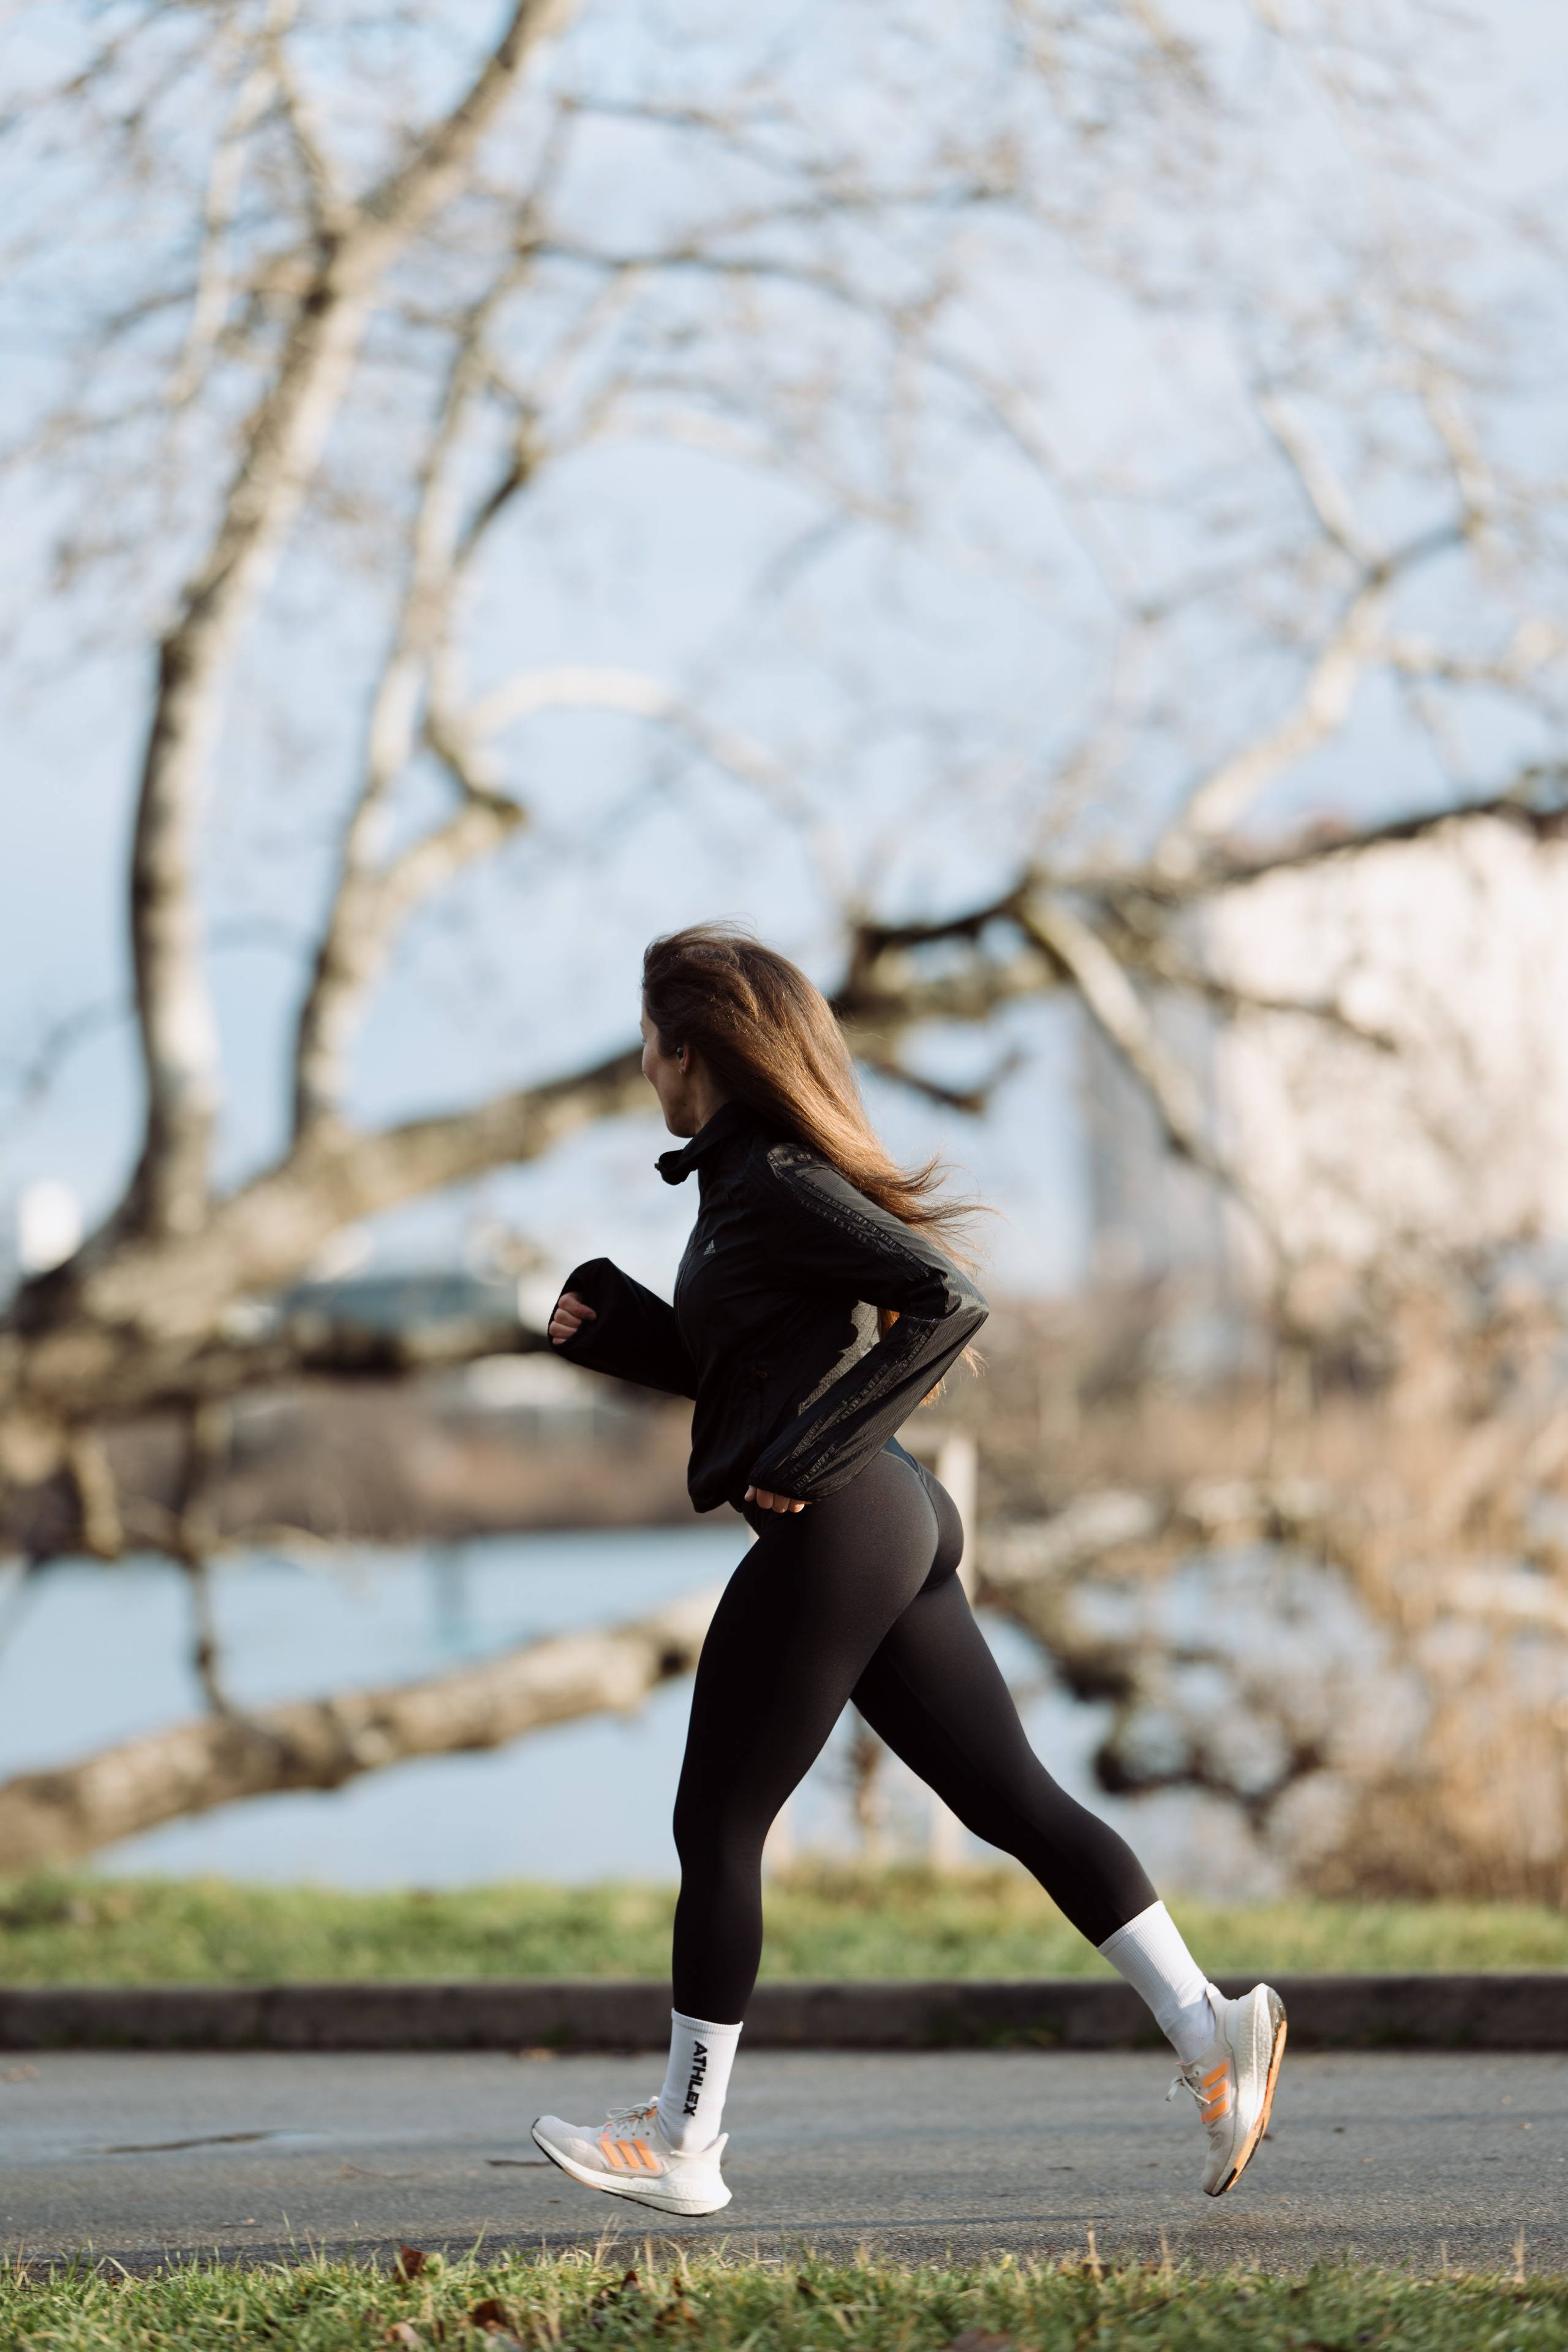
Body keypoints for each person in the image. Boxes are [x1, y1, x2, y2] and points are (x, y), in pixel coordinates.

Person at [530, 923, 1284, 2217]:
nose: (641, 1062)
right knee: (1013, 1802)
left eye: (646, 1038)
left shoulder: (766, 1173)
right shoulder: (741, 1183)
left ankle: (682, 2144)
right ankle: (1207, 2026)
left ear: (684, 1045)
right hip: (884, 1523)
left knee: (713, 1829)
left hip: (846, 1524)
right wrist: (620, 1334)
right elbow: (762, 1372)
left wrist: (814, 1451)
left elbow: (942, 1295)